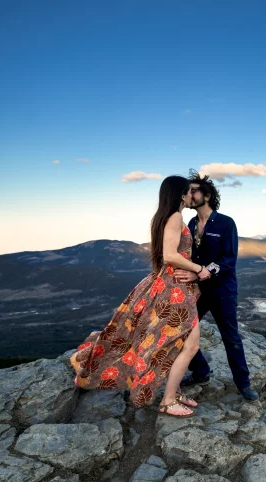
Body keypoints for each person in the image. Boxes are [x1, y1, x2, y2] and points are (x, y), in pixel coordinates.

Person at [69, 175, 211, 417]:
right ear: (179, 194)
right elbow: (169, 255)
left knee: (181, 343)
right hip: (175, 291)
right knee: (190, 344)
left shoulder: (163, 217)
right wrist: (199, 270)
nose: (191, 195)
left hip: (170, 286)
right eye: (188, 191)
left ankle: (173, 393)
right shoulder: (176, 217)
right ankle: (167, 401)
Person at [173, 170, 260, 402]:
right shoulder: (191, 223)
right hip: (198, 291)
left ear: (207, 195)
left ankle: (244, 384)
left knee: (231, 337)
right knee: (180, 330)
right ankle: (201, 371)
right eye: (188, 191)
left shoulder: (225, 223)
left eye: (194, 190)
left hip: (222, 291)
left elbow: (228, 261)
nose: (189, 195)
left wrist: (199, 275)